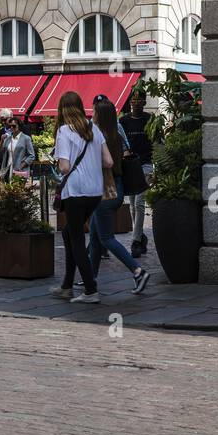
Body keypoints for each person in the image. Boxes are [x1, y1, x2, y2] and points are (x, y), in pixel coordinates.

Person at [51, 92, 112, 305]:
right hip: (95, 191)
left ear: (62, 109)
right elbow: (109, 161)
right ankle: (67, 286)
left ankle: (90, 289)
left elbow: (65, 166)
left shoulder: (64, 131)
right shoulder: (94, 128)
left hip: (75, 190)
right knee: (69, 233)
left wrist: (60, 164)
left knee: (76, 238)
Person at [89, 100, 150, 294]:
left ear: (99, 115)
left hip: (105, 191)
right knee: (95, 236)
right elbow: (125, 155)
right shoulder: (117, 133)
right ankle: (90, 278)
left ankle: (137, 271)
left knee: (106, 238)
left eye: (94, 111)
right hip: (118, 188)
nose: (92, 114)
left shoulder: (98, 136)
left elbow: (102, 163)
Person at [120, 90, 153, 258]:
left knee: (140, 203)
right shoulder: (123, 121)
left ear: (145, 102)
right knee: (133, 205)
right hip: (130, 166)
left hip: (146, 164)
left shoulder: (150, 119)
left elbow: (156, 142)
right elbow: (119, 142)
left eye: (139, 99)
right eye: (133, 99)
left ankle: (135, 241)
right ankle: (141, 236)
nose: (136, 102)